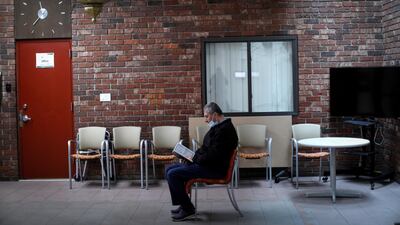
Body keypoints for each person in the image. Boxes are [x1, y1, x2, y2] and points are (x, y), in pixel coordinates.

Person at [165, 102, 238, 222]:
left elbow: (213, 156)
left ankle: (188, 209)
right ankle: (184, 204)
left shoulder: (224, 131)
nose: (205, 120)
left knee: (172, 174)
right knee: (169, 169)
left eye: (206, 116)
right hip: (207, 165)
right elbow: (205, 148)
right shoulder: (218, 127)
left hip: (214, 169)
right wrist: (190, 156)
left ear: (214, 114)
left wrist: (193, 159)